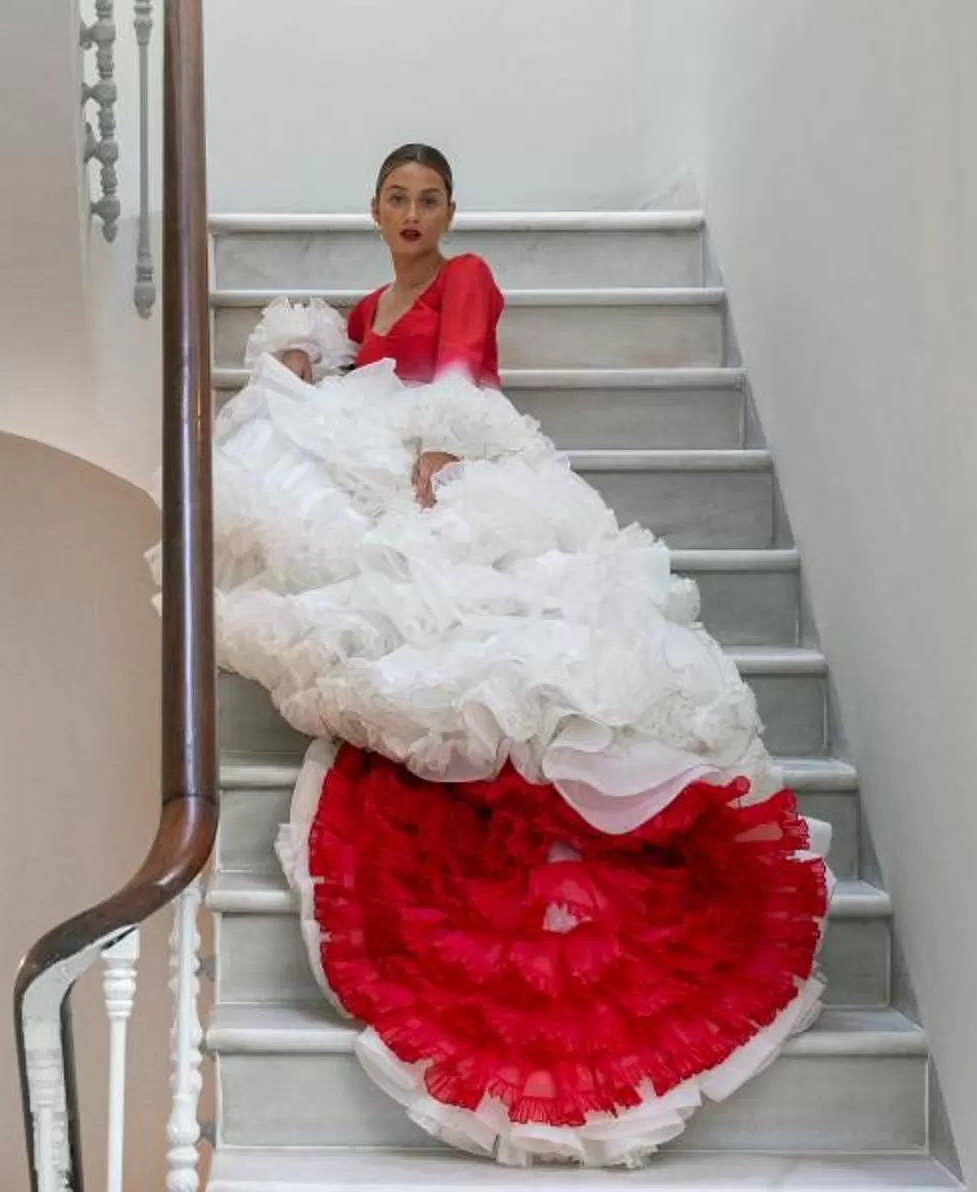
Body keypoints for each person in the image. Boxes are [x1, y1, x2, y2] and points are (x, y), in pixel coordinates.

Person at [212, 143, 828, 1167]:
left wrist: (441, 454)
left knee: (522, 640)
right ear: (374, 208)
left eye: (430, 197)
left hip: (458, 461)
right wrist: (295, 359)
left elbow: (461, 370)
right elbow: (346, 383)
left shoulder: (467, 277)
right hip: (388, 456)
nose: (414, 212)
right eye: (398, 198)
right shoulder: (364, 311)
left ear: (451, 207)